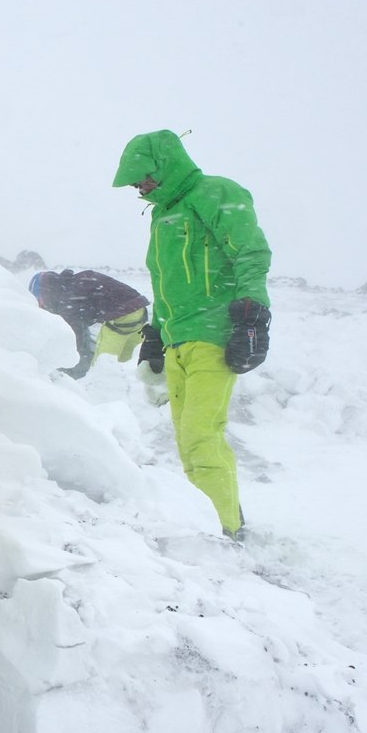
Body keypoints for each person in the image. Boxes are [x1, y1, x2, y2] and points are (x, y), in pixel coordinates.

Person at [112, 130, 272, 541]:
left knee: (202, 436)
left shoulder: (214, 193)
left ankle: (225, 532)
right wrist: (156, 334)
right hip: (178, 339)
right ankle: (220, 518)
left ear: (164, 166)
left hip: (214, 334)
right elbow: (167, 283)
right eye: (135, 183)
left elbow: (249, 252)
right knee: (188, 444)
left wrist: (253, 316)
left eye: (143, 178)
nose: (139, 188)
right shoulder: (162, 218)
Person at [29, 268, 150, 379]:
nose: (43, 306)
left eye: (40, 302)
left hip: (122, 317)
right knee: (128, 362)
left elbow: (76, 338)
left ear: (46, 294)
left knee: (103, 364)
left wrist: (74, 370)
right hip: (139, 311)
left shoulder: (67, 302)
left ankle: (101, 393)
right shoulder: (74, 282)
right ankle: (129, 391)